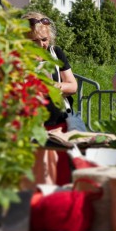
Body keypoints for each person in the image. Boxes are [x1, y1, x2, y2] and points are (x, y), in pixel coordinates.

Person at [23, 12, 77, 186]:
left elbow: (72, 86)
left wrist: (54, 87)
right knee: (33, 182)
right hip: (29, 128)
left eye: (44, 39)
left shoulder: (56, 54)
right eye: (35, 41)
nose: (42, 45)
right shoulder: (18, 59)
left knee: (58, 180)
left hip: (58, 126)